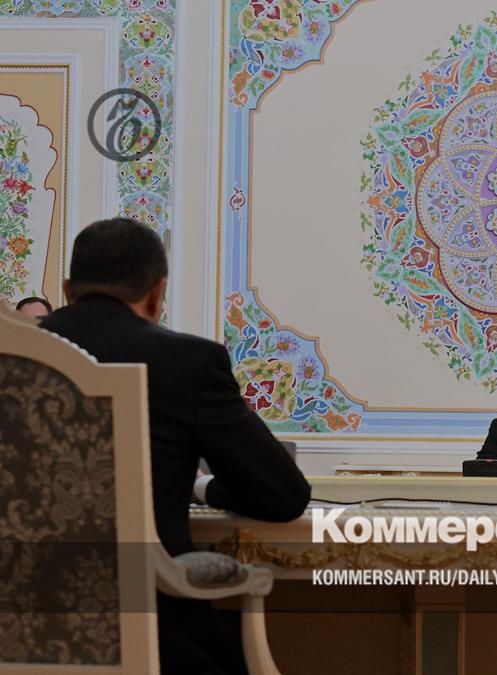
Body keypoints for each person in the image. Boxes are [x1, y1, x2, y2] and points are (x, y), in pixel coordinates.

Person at [41, 217, 310, 675]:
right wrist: (202, 487)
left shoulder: (15, 358)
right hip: (153, 634)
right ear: (156, 293)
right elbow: (284, 495)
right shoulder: (187, 362)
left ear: (67, 290)